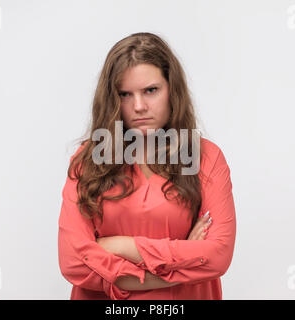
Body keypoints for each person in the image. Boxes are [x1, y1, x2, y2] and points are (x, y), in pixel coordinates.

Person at [58, 32, 236, 300]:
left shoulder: (205, 158)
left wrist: (122, 246)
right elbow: (73, 261)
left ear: (171, 89)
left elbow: (217, 256)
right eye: (125, 94)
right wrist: (180, 257)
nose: (139, 106)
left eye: (150, 90)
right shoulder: (88, 160)